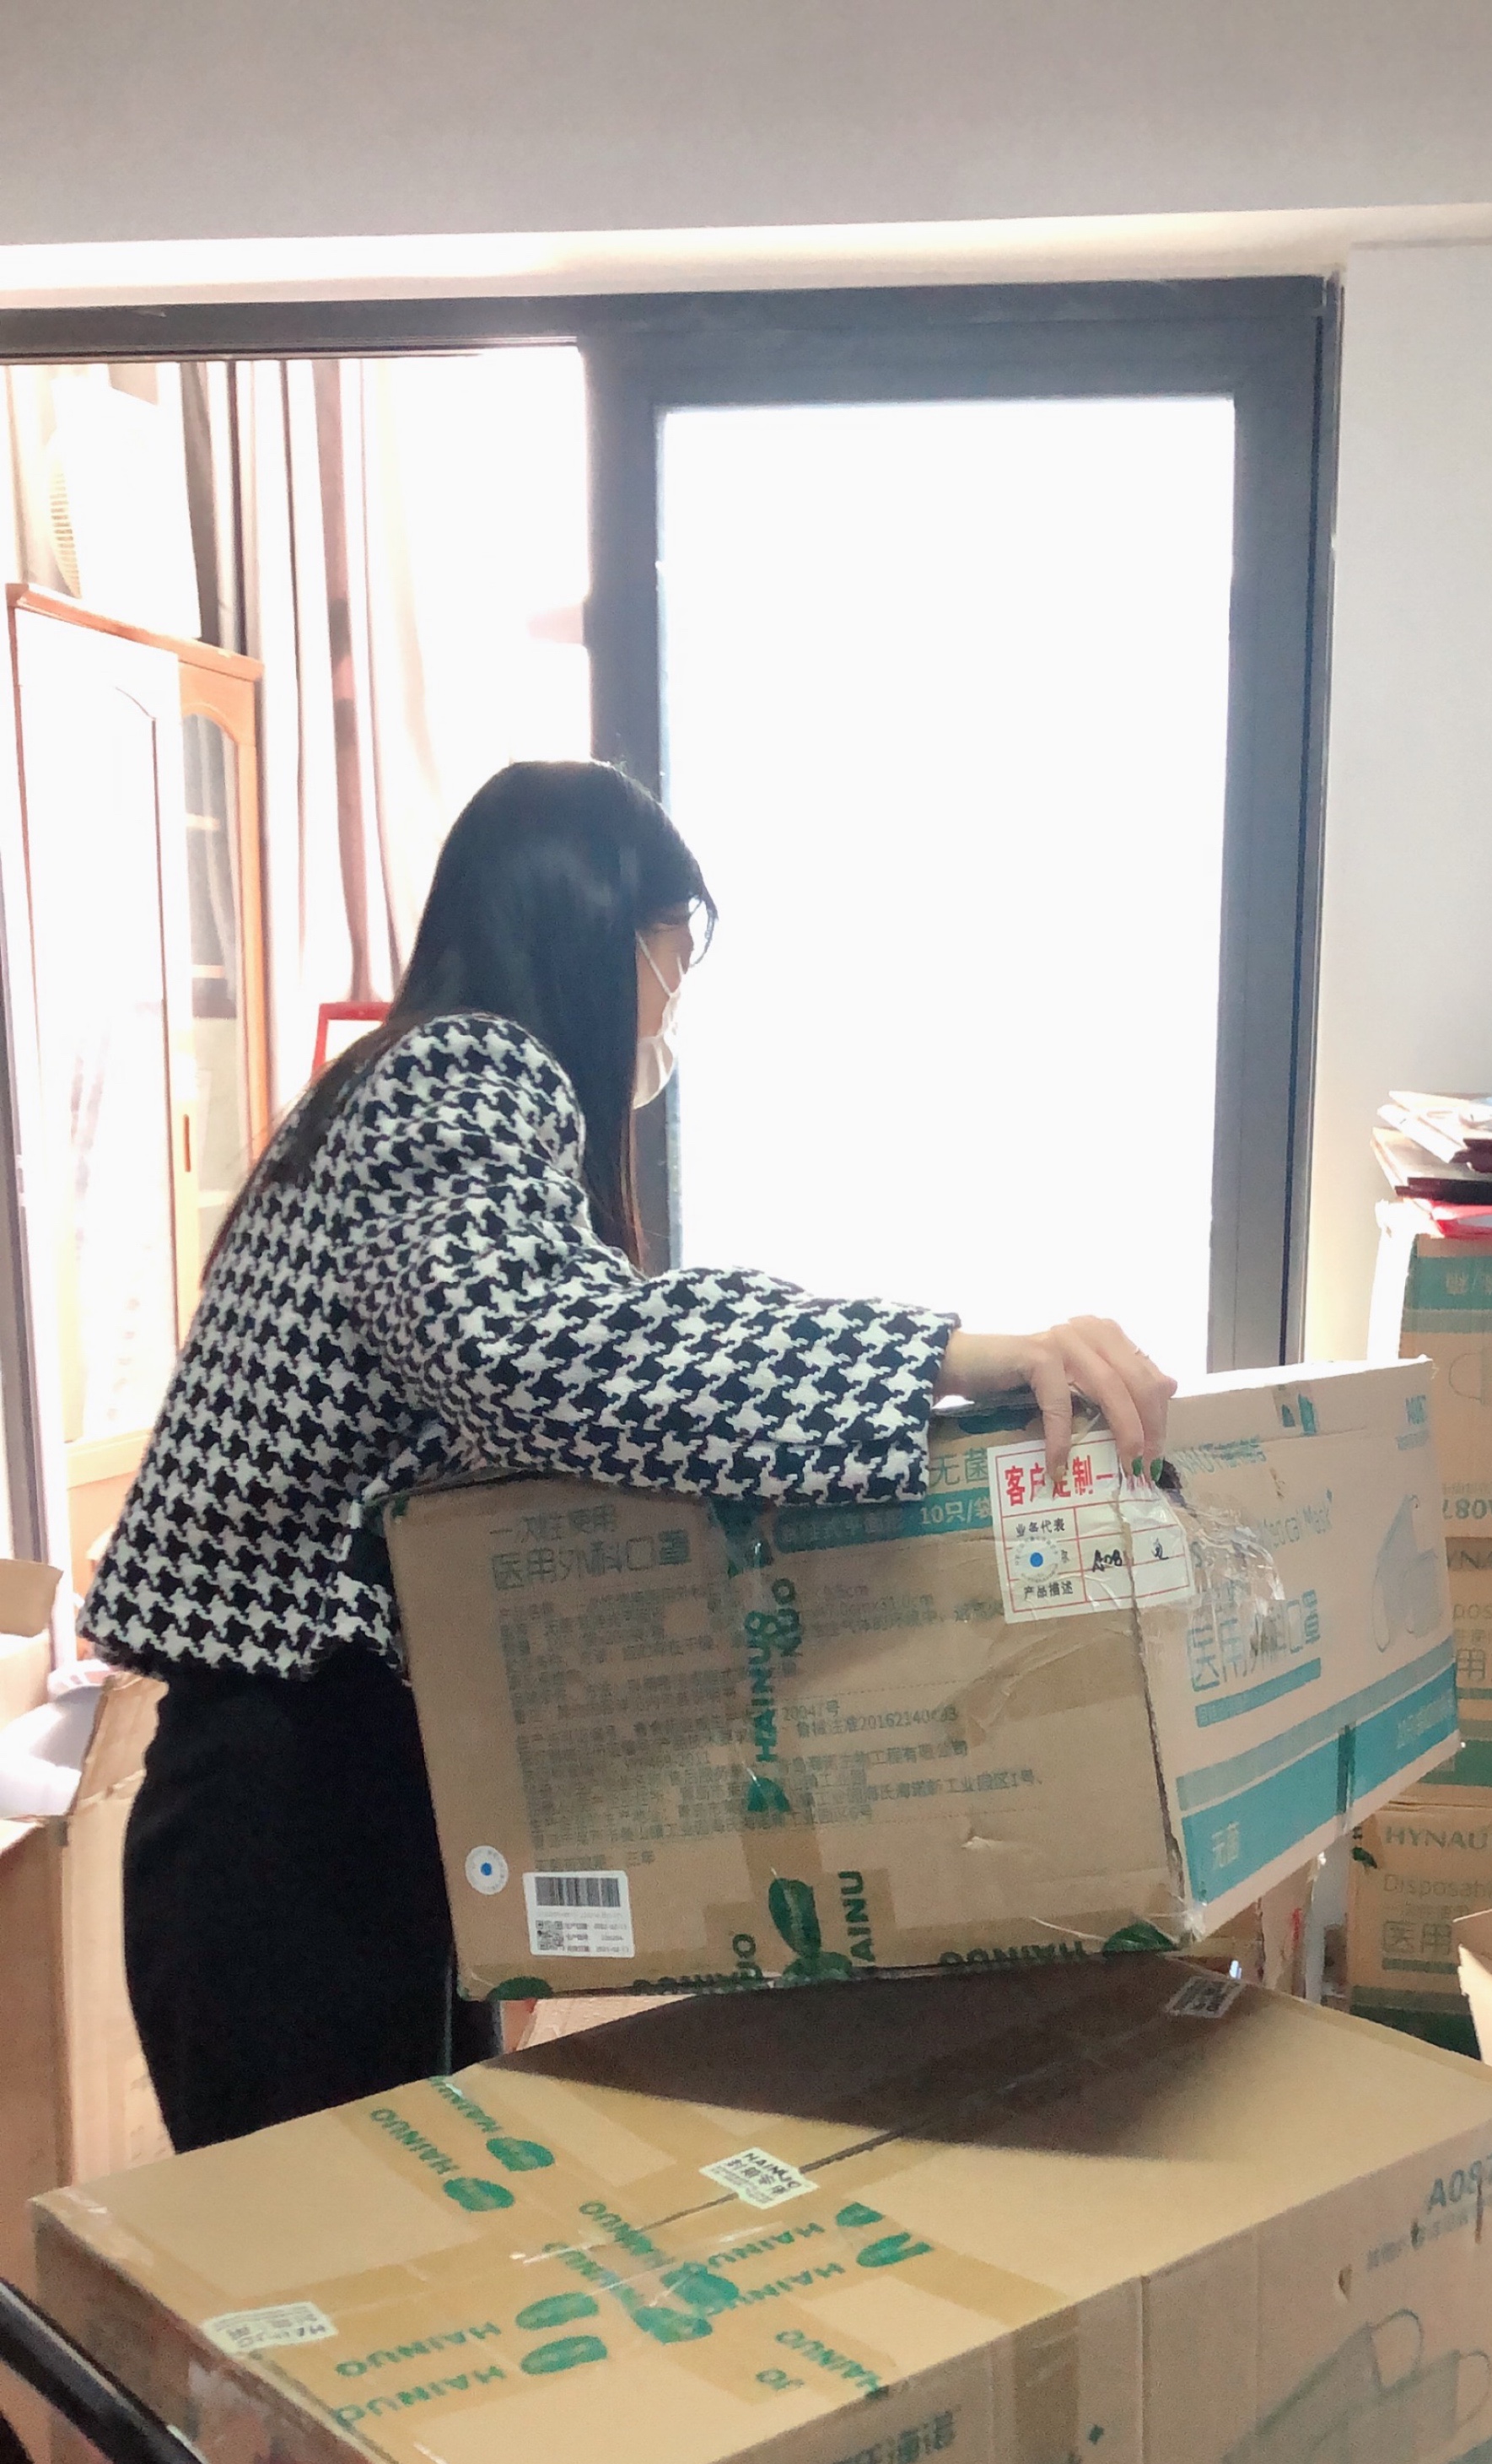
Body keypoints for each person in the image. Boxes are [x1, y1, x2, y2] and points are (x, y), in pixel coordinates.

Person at [85, 759, 1176, 2151]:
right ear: (603, 933)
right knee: (338, 2245)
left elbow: (555, 1346)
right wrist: (944, 1355)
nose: (670, 1006)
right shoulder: (459, 1073)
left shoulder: (389, 1082)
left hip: (330, 1786)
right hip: (293, 1811)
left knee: (404, 2226)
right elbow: (541, 1353)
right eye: (675, 956)